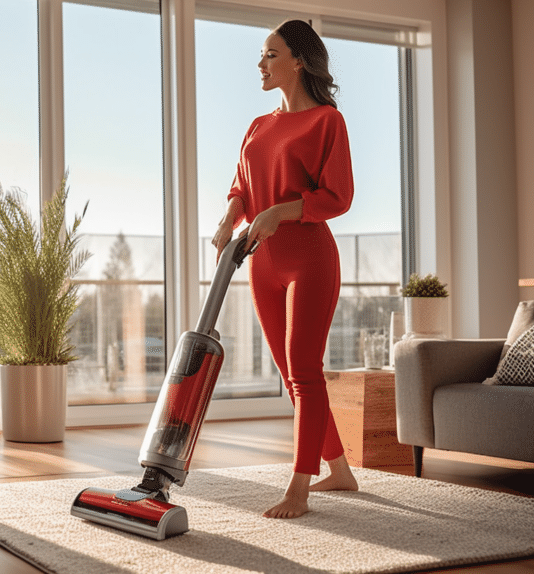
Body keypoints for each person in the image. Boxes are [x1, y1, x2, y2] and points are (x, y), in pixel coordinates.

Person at [211, 19, 358, 519]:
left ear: (298, 60)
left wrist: (279, 211)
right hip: (262, 262)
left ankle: (299, 487)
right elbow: (241, 184)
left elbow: (338, 196)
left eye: (271, 55)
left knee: (304, 371)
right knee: (290, 373)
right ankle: (339, 470)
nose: (261, 64)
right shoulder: (258, 125)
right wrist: (229, 217)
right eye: (261, 55)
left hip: (309, 257)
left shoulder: (326, 122)